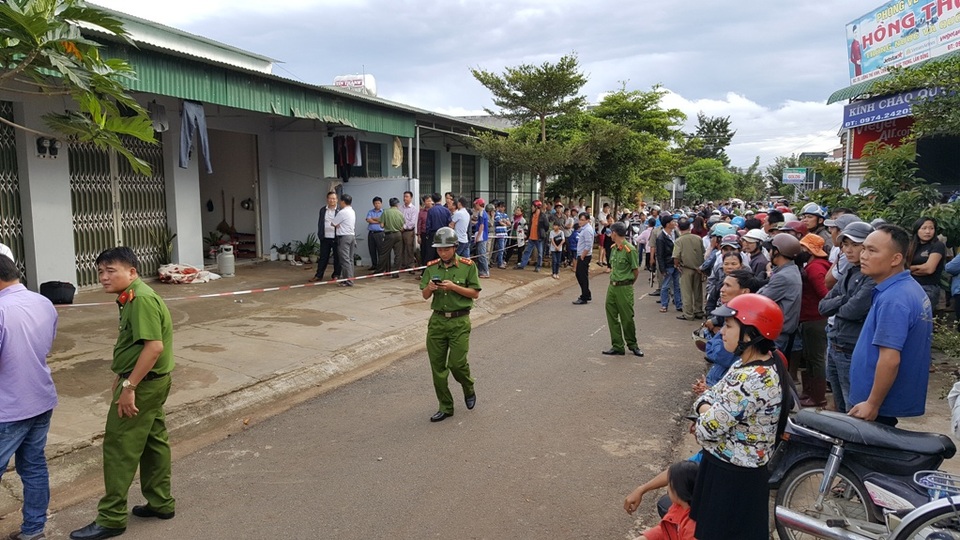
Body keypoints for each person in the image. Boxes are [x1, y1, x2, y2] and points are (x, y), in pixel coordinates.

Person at [71, 247, 176, 540]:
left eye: (110, 271)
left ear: (132, 272)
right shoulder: (132, 296)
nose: (104, 277)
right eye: (100, 272)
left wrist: (129, 386)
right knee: (153, 442)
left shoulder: (140, 299)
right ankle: (161, 502)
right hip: (150, 382)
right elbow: (137, 346)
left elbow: (154, 347)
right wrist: (122, 375)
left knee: (119, 447)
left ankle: (112, 518)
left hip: (143, 385)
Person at [690, 294, 786, 540]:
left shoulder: (752, 379)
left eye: (729, 326)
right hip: (726, 467)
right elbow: (711, 396)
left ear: (750, 334)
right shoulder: (744, 364)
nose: (722, 332)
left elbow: (706, 428)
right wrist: (708, 405)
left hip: (734, 478)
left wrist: (705, 408)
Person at [848, 224, 934, 427]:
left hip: (876, 404)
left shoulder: (894, 299)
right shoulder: (905, 287)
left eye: (872, 250)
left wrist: (872, 403)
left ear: (895, 259)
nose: (863, 256)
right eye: (864, 248)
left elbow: (890, 359)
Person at [0, 254, 58, 540]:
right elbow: (45, 344)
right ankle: (33, 530)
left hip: (8, 409)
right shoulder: (43, 302)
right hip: (40, 399)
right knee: (34, 467)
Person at [420, 227, 480, 423]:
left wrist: (454, 287)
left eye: (446, 249)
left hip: (459, 321)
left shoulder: (468, 266)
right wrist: (430, 288)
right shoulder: (431, 268)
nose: (443, 253)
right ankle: (445, 406)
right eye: (439, 249)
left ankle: (468, 386)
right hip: (437, 322)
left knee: (456, 363)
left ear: (455, 247)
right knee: (437, 368)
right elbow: (424, 295)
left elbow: (475, 293)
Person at [819, 221, 876, 413]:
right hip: (835, 345)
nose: (848, 250)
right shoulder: (850, 271)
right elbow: (823, 306)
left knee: (853, 409)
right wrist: (845, 299)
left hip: (851, 349)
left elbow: (853, 310)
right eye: (845, 245)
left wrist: (839, 304)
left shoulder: (871, 277)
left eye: (855, 244)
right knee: (840, 407)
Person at [796, 233, 831, 407]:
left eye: (802, 248)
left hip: (815, 319)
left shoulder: (815, 268)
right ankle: (809, 392)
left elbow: (824, 294)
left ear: (809, 250)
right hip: (811, 318)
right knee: (810, 357)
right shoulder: (813, 265)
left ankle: (818, 396)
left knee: (815, 358)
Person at [624, 461, 699, 540]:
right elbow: (667, 529)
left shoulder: (692, 526)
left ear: (677, 490)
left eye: (669, 484)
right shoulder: (678, 507)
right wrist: (645, 537)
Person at [601, 222, 644, 357]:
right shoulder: (614, 248)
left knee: (627, 318)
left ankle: (633, 344)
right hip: (612, 287)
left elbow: (635, 270)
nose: (610, 235)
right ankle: (617, 345)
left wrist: (628, 284)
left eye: (611, 232)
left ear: (614, 233)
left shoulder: (629, 249)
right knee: (612, 316)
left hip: (624, 287)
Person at [758, 234, 802, 353]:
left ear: (777, 252)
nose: (769, 253)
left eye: (770, 250)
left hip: (777, 334)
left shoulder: (783, 276)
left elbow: (760, 299)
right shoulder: (790, 270)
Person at [907, 216, 946, 309]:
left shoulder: (937, 245)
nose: (928, 231)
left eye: (931, 228)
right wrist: (918, 268)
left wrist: (909, 269)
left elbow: (929, 269)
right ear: (917, 230)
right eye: (924, 228)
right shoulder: (911, 246)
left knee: (922, 316)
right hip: (909, 286)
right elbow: (901, 267)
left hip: (928, 288)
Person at [673, 218, 705, 321]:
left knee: (686, 292)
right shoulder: (698, 238)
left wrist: (677, 265)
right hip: (698, 268)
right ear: (689, 227)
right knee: (698, 291)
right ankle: (698, 311)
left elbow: (676, 256)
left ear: (679, 228)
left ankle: (688, 314)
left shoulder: (679, 240)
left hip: (686, 268)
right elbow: (703, 252)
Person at [310, 191, 340, 282]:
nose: (332, 200)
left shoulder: (340, 210)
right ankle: (319, 275)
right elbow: (320, 223)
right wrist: (320, 234)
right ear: (327, 199)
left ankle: (336, 275)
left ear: (337, 200)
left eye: (334, 199)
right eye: (330, 198)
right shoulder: (323, 210)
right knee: (323, 257)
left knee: (337, 257)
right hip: (325, 237)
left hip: (336, 237)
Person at [656, 215, 681, 313]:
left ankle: (679, 304)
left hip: (676, 263)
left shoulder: (675, 233)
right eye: (672, 222)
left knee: (677, 285)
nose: (674, 223)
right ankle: (664, 304)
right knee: (665, 285)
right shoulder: (661, 238)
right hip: (668, 264)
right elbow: (660, 254)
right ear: (667, 224)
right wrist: (662, 268)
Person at [332, 194, 357, 286]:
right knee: (350, 259)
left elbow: (333, 223)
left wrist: (337, 224)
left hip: (344, 237)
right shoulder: (352, 211)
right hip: (351, 236)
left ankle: (348, 280)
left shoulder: (342, 212)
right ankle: (349, 278)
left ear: (343, 202)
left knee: (345, 259)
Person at [516, 200, 547, 272]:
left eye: (533, 206)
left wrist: (541, 232)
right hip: (531, 237)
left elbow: (546, 226)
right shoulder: (532, 215)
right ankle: (522, 265)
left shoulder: (542, 216)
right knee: (527, 252)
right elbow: (530, 226)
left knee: (540, 253)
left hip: (539, 238)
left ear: (536, 207)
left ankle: (538, 267)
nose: (531, 208)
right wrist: (528, 235)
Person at [377, 197, 404, 278]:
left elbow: (381, 225)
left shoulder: (385, 212)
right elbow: (402, 227)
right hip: (398, 234)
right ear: (397, 204)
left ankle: (380, 271)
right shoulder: (400, 213)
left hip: (389, 235)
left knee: (384, 253)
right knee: (398, 254)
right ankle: (395, 273)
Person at [424, 193, 450, 268]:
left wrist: (427, 234)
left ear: (432, 200)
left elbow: (428, 224)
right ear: (441, 199)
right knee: (442, 253)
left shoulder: (431, 210)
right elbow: (449, 223)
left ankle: (428, 270)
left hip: (433, 234)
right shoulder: (446, 210)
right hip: (444, 234)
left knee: (430, 254)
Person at [573, 212, 594, 305]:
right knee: (580, 275)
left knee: (582, 276)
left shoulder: (587, 230)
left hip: (584, 256)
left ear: (587, 220)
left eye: (582, 220)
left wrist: (582, 256)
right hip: (582, 255)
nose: (580, 222)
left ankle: (584, 296)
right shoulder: (584, 229)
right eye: (580, 219)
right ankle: (586, 293)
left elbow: (588, 244)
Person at [400, 191, 418, 271]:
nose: (405, 198)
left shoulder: (413, 209)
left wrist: (404, 227)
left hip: (408, 231)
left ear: (411, 198)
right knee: (401, 248)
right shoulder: (401, 208)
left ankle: (411, 265)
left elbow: (412, 222)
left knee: (409, 248)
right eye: (404, 196)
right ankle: (403, 264)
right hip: (400, 231)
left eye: (407, 197)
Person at [472, 198, 490, 278]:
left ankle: (485, 271)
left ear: (478, 204)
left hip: (482, 236)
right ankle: (482, 271)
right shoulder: (482, 213)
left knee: (482, 254)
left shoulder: (482, 213)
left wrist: (478, 236)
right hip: (483, 235)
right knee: (481, 254)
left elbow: (481, 226)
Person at [418, 194, 435, 270]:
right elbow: (419, 224)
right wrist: (418, 236)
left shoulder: (434, 211)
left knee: (431, 252)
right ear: (424, 202)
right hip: (424, 234)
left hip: (431, 234)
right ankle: (424, 268)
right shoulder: (421, 212)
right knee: (423, 251)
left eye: (430, 201)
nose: (429, 202)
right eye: (427, 201)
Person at [493, 201, 510, 269]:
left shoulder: (505, 215)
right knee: (501, 249)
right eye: (500, 207)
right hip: (500, 233)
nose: (501, 208)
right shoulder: (497, 214)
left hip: (505, 233)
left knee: (503, 249)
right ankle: (500, 263)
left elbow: (509, 224)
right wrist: (504, 222)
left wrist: (504, 221)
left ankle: (500, 261)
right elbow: (500, 222)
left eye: (503, 207)